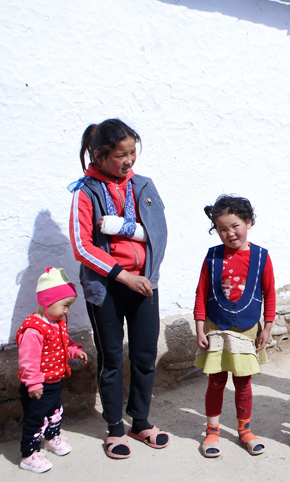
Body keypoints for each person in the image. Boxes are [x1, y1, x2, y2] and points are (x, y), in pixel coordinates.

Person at [69, 118, 169, 459]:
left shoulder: (143, 186)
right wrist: (124, 276)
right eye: (120, 155)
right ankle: (114, 428)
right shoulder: (85, 192)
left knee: (144, 356)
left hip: (144, 284)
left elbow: (158, 233)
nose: (128, 161)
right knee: (111, 358)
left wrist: (147, 275)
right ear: (99, 156)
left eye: (132, 153)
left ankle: (139, 420)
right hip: (106, 288)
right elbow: (82, 247)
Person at [193, 195, 275, 458]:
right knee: (216, 381)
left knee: (243, 381)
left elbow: (270, 293)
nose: (229, 234)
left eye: (235, 225)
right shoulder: (212, 257)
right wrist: (198, 328)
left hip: (248, 329)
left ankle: (245, 430)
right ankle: (213, 430)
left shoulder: (262, 257)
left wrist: (267, 327)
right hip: (216, 327)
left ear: (248, 222)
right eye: (222, 229)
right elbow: (200, 293)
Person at [16, 267, 88, 473]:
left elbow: (64, 343)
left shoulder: (57, 322)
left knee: (54, 411)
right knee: (35, 418)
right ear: (47, 301)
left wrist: (74, 351)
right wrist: (33, 383)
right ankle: (28, 454)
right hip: (38, 385)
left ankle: (52, 438)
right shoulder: (34, 329)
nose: (66, 311)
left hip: (55, 380)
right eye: (64, 305)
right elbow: (28, 360)